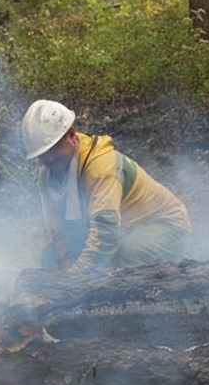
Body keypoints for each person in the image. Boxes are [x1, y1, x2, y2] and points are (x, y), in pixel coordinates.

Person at [22, 99, 191, 272]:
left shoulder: (100, 166)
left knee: (123, 255)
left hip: (163, 226)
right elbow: (58, 232)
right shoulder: (47, 176)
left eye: (54, 149)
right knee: (50, 257)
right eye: (43, 154)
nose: (49, 158)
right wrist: (64, 263)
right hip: (122, 229)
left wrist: (74, 279)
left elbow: (105, 233)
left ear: (71, 135)